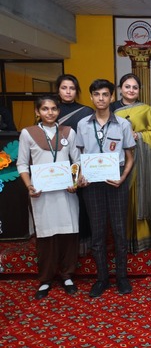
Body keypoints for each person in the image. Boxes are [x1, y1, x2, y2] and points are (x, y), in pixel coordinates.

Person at [17, 96, 80, 300]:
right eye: (45, 109)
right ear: (37, 112)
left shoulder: (68, 132)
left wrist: (75, 182)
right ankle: (45, 279)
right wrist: (29, 186)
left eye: (53, 109)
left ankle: (67, 275)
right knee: (46, 237)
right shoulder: (28, 133)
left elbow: (76, 161)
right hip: (41, 194)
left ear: (58, 111)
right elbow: (22, 164)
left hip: (66, 192)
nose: (50, 112)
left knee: (68, 235)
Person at [76, 79, 135, 297]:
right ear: (91, 97)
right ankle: (102, 278)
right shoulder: (82, 125)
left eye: (105, 94)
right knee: (98, 232)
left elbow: (130, 157)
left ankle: (121, 277)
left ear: (112, 97)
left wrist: (123, 178)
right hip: (92, 183)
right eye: (96, 94)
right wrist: (80, 175)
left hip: (116, 180)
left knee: (120, 231)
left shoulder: (123, 125)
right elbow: (79, 156)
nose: (101, 98)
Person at [112, 73, 151, 253]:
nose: (131, 90)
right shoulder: (112, 111)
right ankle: (123, 241)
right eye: (127, 86)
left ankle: (144, 241)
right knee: (123, 199)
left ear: (139, 90)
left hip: (143, 163)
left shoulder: (147, 110)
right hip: (120, 162)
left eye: (134, 87)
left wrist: (138, 136)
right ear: (120, 89)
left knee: (141, 196)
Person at [55, 74, 94, 255]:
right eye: (64, 88)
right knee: (60, 205)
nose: (68, 92)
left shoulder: (86, 112)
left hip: (79, 162)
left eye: (71, 88)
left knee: (81, 205)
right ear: (58, 90)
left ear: (76, 91)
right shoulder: (51, 110)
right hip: (56, 164)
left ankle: (83, 245)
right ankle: (63, 246)